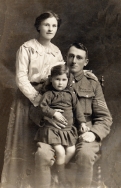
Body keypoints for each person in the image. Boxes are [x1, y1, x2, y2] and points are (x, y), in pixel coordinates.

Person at [35, 42, 112, 188]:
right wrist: (47, 117)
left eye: (79, 57)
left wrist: (94, 134)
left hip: (83, 133)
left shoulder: (92, 84)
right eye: (71, 56)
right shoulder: (51, 81)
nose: (74, 61)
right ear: (66, 58)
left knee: (85, 155)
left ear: (86, 62)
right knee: (42, 154)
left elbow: (104, 117)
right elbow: (35, 110)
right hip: (54, 131)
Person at [1, 11, 65, 188]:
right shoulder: (27, 48)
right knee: (23, 139)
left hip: (47, 99)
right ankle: (20, 184)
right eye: (46, 25)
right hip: (27, 98)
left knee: (41, 143)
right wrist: (37, 98)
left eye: (54, 26)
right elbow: (21, 78)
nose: (50, 29)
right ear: (38, 26)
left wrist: (50, 102)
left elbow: (60, 78)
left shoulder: (56, 52)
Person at [35, 64, 90, 187]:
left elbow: (78, 110)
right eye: (57, 79)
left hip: (67, 130)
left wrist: (82, 122)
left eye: (64, 79)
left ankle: (56, 171)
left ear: (68, 80)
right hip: (53, 130)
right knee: (60, 151)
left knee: (71, 150)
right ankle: (61, 177)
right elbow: (42, 107)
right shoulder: (48, 94)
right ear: (51, 79)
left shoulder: (71, 94)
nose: (60, 83)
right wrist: (53, 113)